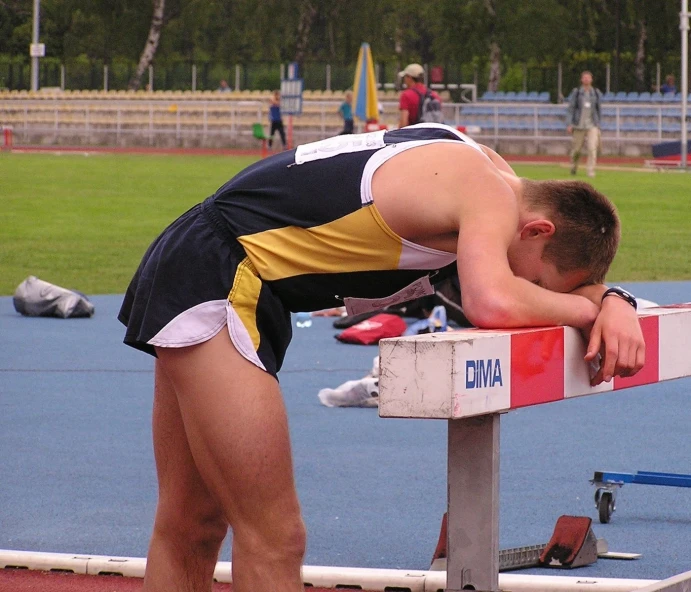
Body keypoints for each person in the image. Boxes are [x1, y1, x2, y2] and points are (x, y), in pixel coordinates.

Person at [119, 122, 645, 592]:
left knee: (192, 522)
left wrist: (613, 301)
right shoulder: (488, 193)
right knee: (275, 536)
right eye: (536, 282)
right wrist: (582, 310)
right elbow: (492, 300)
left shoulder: (485, 167)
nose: (533, 296)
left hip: (212, 266)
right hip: (218, 275)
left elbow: (527, 288)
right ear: (538, 231)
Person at [566, 70, 602, 178]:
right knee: (576, 150)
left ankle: (590, 171)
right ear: (581, 79)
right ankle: (573, 166)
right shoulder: (576, 92)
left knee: (592, 148)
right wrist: (569, 124)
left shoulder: (595, 93)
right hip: (578, 125)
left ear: (591, 79)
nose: (586, 79)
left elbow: (598, 109)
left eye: (588, 77)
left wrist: (598, 123)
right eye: (584, 77)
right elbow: (571, 109)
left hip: (592, 125)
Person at [398, 63, 442, 127]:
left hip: (414, 134)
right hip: (432, 134)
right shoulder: (434, 95)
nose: (404, 80)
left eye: (405, 77)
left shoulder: (406, 95)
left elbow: (404, 123)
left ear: (409, 77)